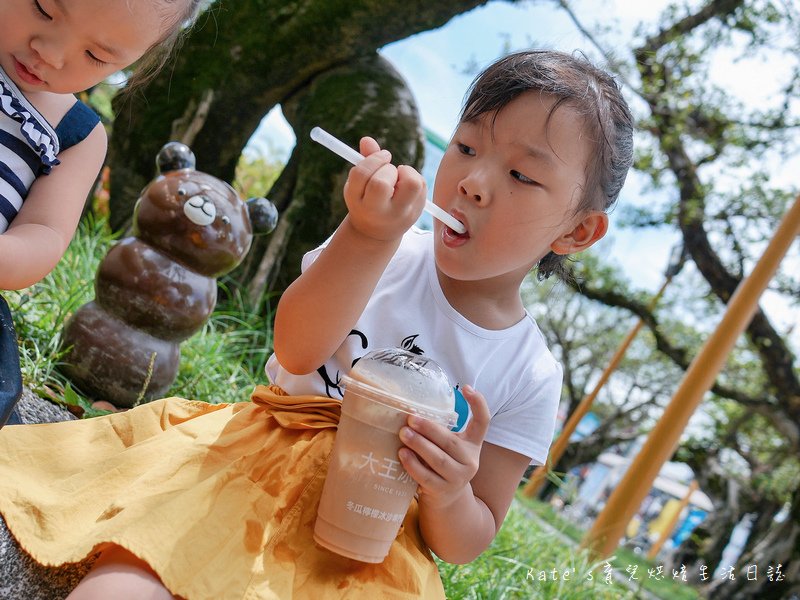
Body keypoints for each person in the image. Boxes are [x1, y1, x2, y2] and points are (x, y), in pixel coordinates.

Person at [0, 49, 634, 599]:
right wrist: (363, 237)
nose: (472, 182)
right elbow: (297, 352)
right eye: (467, 147)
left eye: (522, 174)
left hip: (371, 543)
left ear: (577, 231)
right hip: (256, 462)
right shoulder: (385, 250)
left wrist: (449, 492)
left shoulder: (528, 373)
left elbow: (469, 539)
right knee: (136, 574)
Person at [0, 0, 203, 427]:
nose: (50, 53)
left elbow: (43, 233)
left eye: (96, 56)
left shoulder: (76, 134)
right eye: (42, 8)